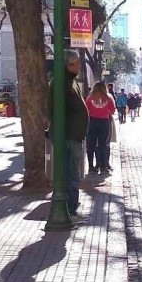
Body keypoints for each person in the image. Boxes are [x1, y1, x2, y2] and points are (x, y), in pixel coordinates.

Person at [49, 50, 89, 220]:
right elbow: (57, 110)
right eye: (76, 63)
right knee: (70, 175)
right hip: (69, 137)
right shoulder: (62, 82)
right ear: (67, 65)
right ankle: (69, 210)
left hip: (74, 136)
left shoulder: (71, 82)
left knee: (73, 174)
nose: (79, 66)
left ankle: (71, 209)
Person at [85, 81, 116, 174]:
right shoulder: (108, 98)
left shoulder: (90, 98)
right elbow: (112, 110)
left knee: (91, 145)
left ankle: (91, 166)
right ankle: (103, 167)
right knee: (102, 145)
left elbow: (86, 109)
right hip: (104, 122)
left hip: (92, 122)